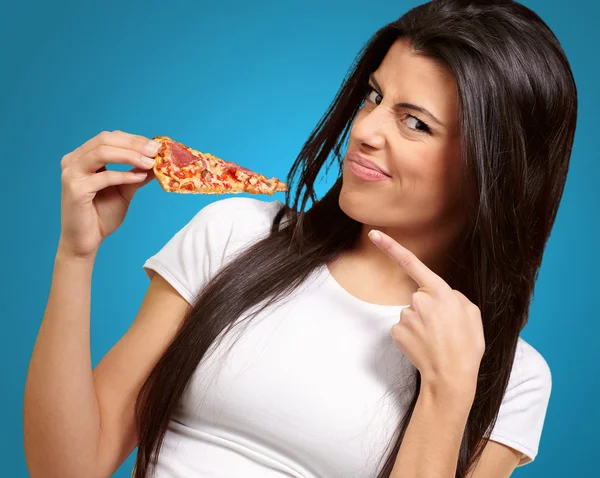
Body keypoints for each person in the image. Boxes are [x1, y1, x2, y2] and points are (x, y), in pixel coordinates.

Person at [23, 0, 577, 477]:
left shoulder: (509, 376)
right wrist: (76, 255)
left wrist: (449, 393)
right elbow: (67, 468)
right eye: (374, 97)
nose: (365, 130)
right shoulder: (234, 236)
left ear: (494, 171)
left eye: (416, 123)